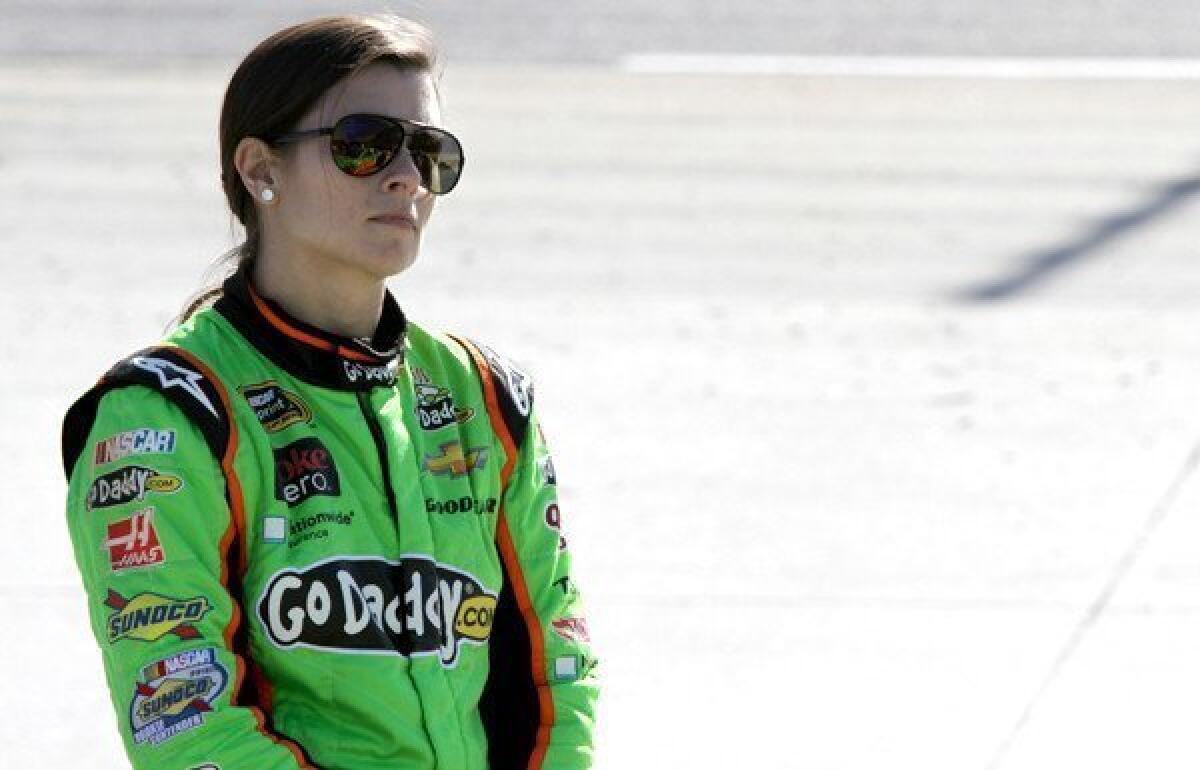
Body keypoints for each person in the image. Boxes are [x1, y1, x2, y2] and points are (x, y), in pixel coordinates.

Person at [60, 15, 599, 770]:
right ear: (259, 169)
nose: (405, 176)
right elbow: (184, 724)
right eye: (364, 143)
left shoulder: (484, 397)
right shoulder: (164, 415)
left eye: (429, 151)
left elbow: (556, 672)